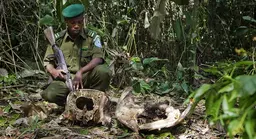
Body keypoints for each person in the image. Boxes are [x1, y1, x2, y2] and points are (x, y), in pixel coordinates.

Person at [41, 4, 111, 106]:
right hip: (64, 80)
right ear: (66, 22)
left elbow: (98, 58)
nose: (77, 25)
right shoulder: (57, 40)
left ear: (83, 20)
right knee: (49, 94)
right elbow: (48, 61)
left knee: (104, 71)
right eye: (73, 23)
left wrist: (81, 72)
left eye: (80, 22)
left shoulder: (92, 37)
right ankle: (70, 102)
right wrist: (53, 71)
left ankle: (93, 100)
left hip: (85, 77)